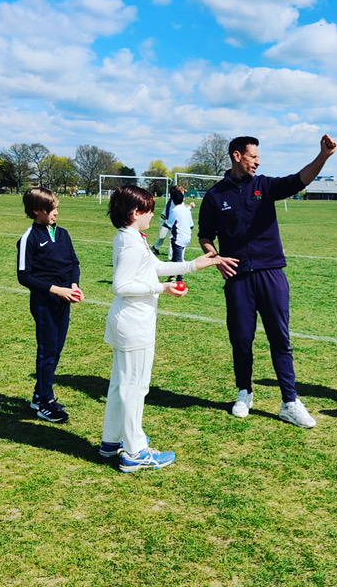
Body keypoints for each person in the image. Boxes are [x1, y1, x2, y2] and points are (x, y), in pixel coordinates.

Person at [198, 134, 337, 428]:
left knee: (280, 339)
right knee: (241, 340)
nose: (257, 162)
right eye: (253, 157)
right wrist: (215, 257)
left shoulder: (265, 186)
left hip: (271, 273)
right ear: (237, 156)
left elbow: (300, 180)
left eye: (258, 157)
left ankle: (290, 401)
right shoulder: (214, 196)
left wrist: (323, 156)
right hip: (238, 279)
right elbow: (205, 235)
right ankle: (244, 392)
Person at [99, 185, 237, 473]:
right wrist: (161, 288)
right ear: (135, 213)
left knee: (122, 384)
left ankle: (112, 440)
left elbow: (153, 266)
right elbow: (121, 285)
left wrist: (192, 266)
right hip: (133, 324)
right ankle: (134, 451)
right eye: (149, 210)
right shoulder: (130, 242)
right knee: (134, 387)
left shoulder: (133, 237)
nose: (153, 215)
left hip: (131, 322)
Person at [17, 187, 85, 423]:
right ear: (37, 210)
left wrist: (74, 285)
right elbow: (24, 276)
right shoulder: (29, 238)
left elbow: (73, 263)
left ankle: (40, 394)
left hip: (64, 301)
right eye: (51, 208)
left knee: (56, 349)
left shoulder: (63, 234)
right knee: (47, 351)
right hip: (44, 302)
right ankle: (45, 402)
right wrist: (56, 290)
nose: (56, 212)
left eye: (57, 207)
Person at [166, 190, 196, 283]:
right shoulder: (186, 210)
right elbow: (191, 225)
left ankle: (180, 280)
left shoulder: (174, 210)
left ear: (173, 200)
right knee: (175, 257)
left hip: (178, 237)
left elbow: (169, 224)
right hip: (187, 236)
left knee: (178, 260)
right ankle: (172, 276)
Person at [151, 185, 185, 256]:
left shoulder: (176, 200)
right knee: (162, 236)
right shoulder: (174, 201)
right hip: (165, 219)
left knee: (171, 236)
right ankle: (156, 248)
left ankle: (171, 255)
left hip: (168, 220)